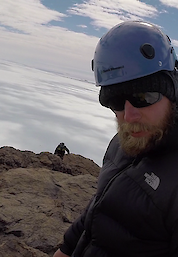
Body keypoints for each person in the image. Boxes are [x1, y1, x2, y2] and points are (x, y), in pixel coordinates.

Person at [53, 20, 178, 257]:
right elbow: (102, 205)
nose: (128, 115)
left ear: (172, 90)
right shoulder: (124, 141)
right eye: (115, 101)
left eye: (144, 95)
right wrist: (66, 249)